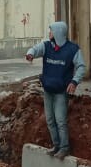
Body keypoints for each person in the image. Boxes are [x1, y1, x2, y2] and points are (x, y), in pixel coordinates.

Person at [24, 22, 86, 159]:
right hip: (48, 90)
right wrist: (30, 54)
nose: (49, 33)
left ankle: (64, 148)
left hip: (61, 92)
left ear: (58, 33)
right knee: (50, 120)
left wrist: (74, 81)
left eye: (51, 31)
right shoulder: (47, 46)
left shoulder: (72, 49)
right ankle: (56, 145)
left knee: (60, 120)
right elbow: (35, 49)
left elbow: (81, 67)